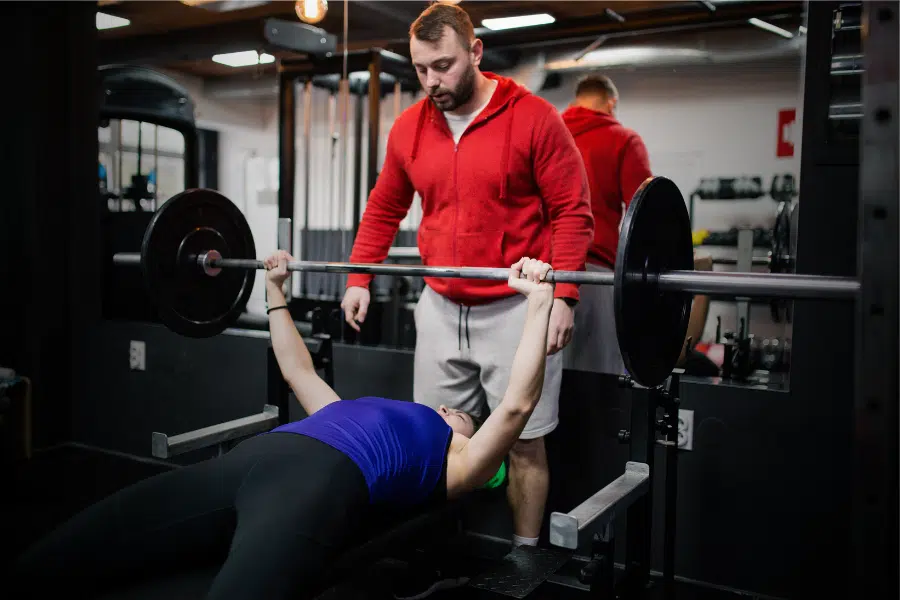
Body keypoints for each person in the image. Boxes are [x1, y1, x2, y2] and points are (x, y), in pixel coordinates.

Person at [11, 252, 558, 600]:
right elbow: (297, 369)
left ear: (464, 434)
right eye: (453, 408)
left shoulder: (458, 463)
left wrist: (538, 305)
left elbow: (513, 407)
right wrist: (274, 289)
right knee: (73, 548)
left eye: (462, 414)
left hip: (316, 482)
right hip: (249, 461)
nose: (452, 409)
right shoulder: (343, 409)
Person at [340, 2, 594, 556]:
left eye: (444, 66)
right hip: (439, 305)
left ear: (476, 53)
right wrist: (359, 275)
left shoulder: (533, 118)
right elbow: (385, 206)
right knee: (431, 441)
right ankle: (435, 557)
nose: (431, 81)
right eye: (421, 69)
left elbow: (572, 211)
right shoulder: (410, 128)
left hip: (515, 308)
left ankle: (524, 561)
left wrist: (564, 296)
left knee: (525, 442)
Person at [559, 74, 653, 374]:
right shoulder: (623, 139)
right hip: (594, 275)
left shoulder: (548, 133)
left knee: (539, 387)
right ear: (611, 103)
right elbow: (643, 215)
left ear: (576, 102)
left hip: (540, 274)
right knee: (597, 382)